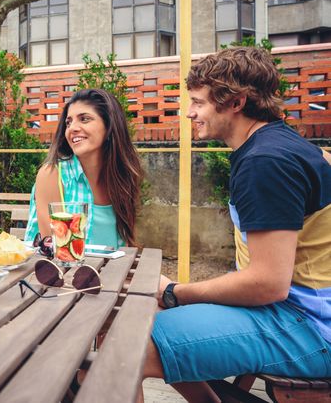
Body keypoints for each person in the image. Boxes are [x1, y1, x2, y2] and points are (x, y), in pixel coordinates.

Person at [142, 47, 331, 402]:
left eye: (198, 103)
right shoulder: (285, 146)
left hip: (309, 327)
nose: (189, 113)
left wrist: (175, 291)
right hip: (297, 313)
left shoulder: (266, 161)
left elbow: (267, 284)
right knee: (135, 318)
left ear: (236, 102)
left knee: (122, 344)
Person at [24, 88, 144, 248]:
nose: (73, 128)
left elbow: (126, 248)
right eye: (68, 122)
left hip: (112, 271)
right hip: (61, 271)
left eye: (84, 119)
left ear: (109, 126)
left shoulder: (122, 178)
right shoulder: (53, 175)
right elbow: (55, 254)